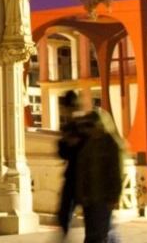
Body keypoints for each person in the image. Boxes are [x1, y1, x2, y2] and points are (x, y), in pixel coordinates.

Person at [76, 109, 125, 243]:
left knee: (100, 234)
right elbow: (82, 170)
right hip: (90, 198)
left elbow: (116, 171)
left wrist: (114, 195)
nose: (89, 130)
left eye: (91, 125)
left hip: (103, 197)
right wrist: (82, 195)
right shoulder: (88, 144)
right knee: (94, 234)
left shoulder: (111, 144)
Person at [56, 91, 83, 238]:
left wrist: (74, 144)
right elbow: (63, 153)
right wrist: (65, 143)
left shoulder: (83, 125)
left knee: (93, 215)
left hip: (84, 176)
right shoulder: (67, 127)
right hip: (72, 175)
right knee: (64, 213)